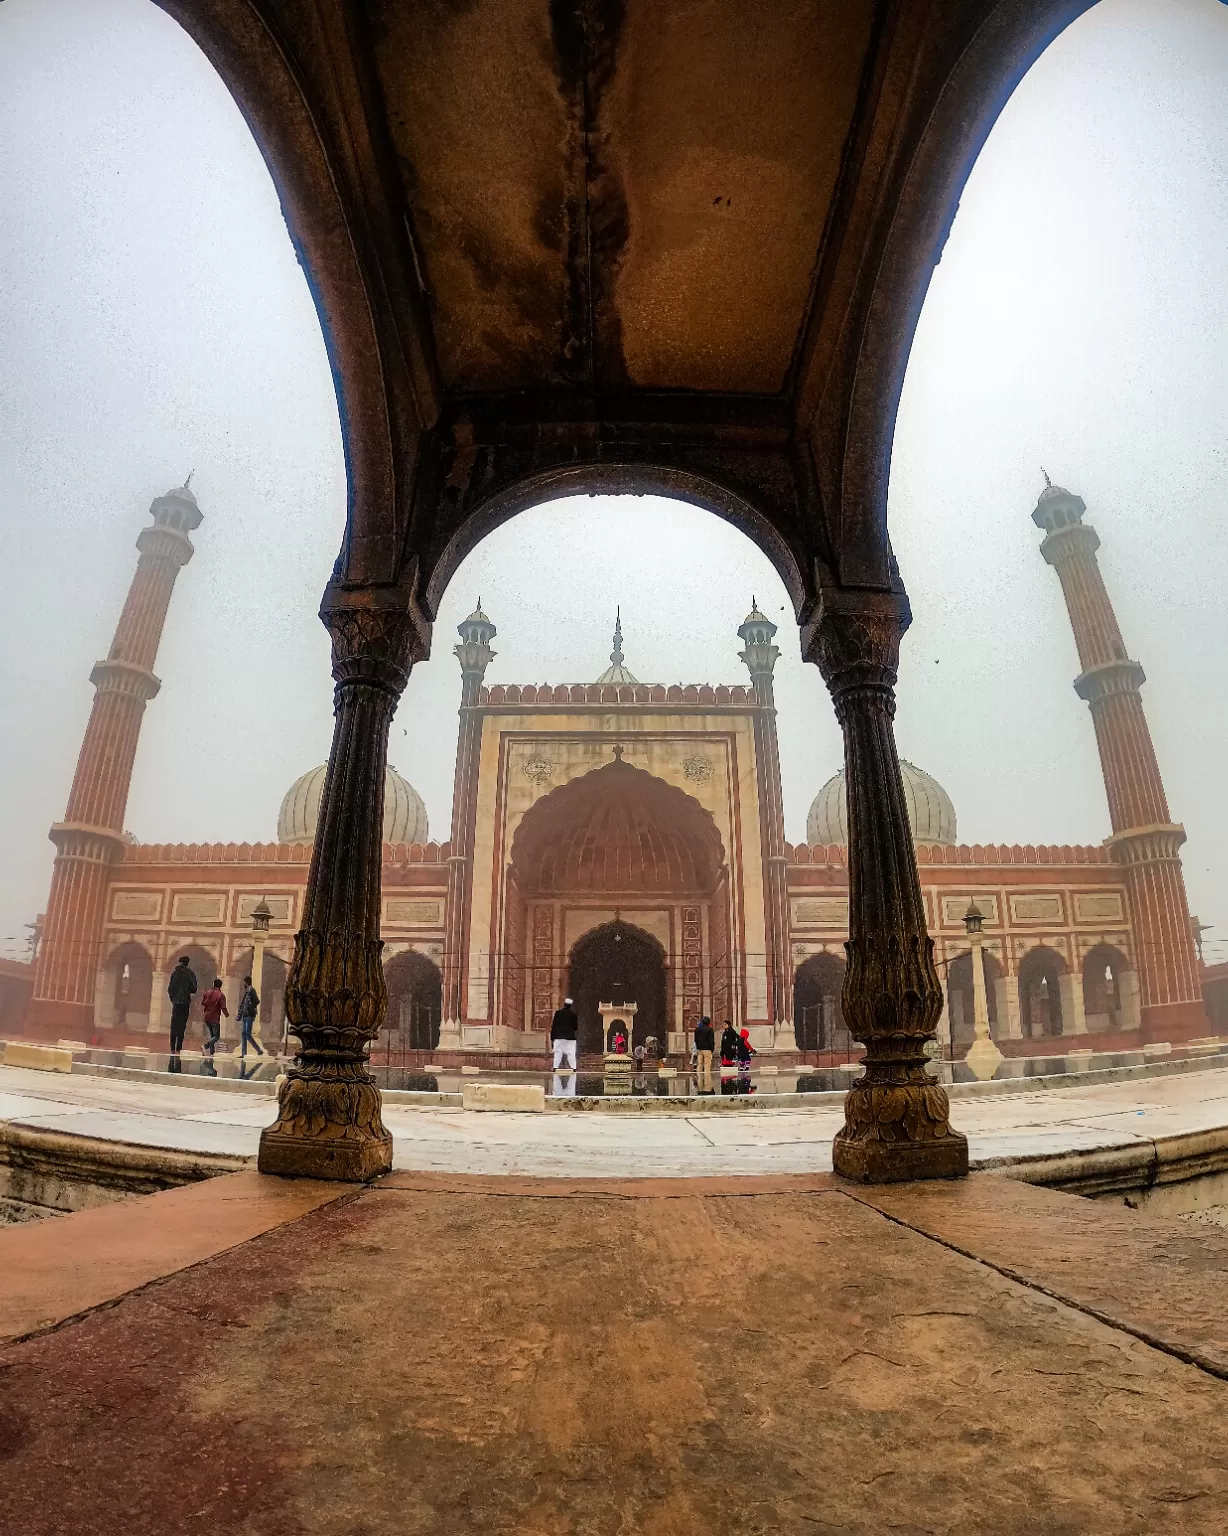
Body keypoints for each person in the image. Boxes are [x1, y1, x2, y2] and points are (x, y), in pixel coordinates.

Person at [167, 955, 197, 1062]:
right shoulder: (190, 974)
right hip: (185, 1002)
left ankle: (172, 1049)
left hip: (176, 1003)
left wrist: (173, 999)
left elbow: (170, 988)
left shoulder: (174, 974)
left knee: (174, 1025)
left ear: (179, 962)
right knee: (182, 1025)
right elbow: (194, 989)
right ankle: (178, 1048)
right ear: (187, 963)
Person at [236, 974, 264, 1058]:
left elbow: (256, 1001)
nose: (243, 984)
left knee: (247, 1033)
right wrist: (239, 1015)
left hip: (249, 1015)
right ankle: (244, 1053)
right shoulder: (247, 991)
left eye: (244, 982)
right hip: (245, 1015)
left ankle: (258, 1050)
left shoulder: (252, 990)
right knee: (244, 1034)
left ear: (246, 982)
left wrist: (250, 1008)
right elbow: (243, 1004)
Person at [200, 977, 228, 1056]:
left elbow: (203, 1003)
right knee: (216, 1036)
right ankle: (205, 1046)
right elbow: (223, 1007)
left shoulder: (207, 993)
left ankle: (212, 1052)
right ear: (220, 986)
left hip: (207, 1016)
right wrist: (226, 1014)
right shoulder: (221, 995)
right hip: (214, 1017)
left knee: (212, 1035)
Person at [551, 996, 579, 1074]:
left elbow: (554, 1026)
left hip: (558, 1037)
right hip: (569, 1037)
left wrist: (552, 1038)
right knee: (571, 1053)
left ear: (564, 1004)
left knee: (558, 1053)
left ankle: (555, 1067)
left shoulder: (558, 1013)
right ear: (570, 1006)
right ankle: (573, 1068)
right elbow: (575, 1027)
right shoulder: (573, 1014)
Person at [694, 1015, 715, 1091]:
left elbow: (695, 1040)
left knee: (699, 1064)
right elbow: (711, 1040)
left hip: (700, 1049)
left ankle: (699, 1080)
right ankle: (707, 1084)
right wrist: (712, 1049)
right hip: (707, 1049)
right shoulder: (710, 1029)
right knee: (707, 1065)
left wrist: (698, 1047)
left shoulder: (697, 1029)